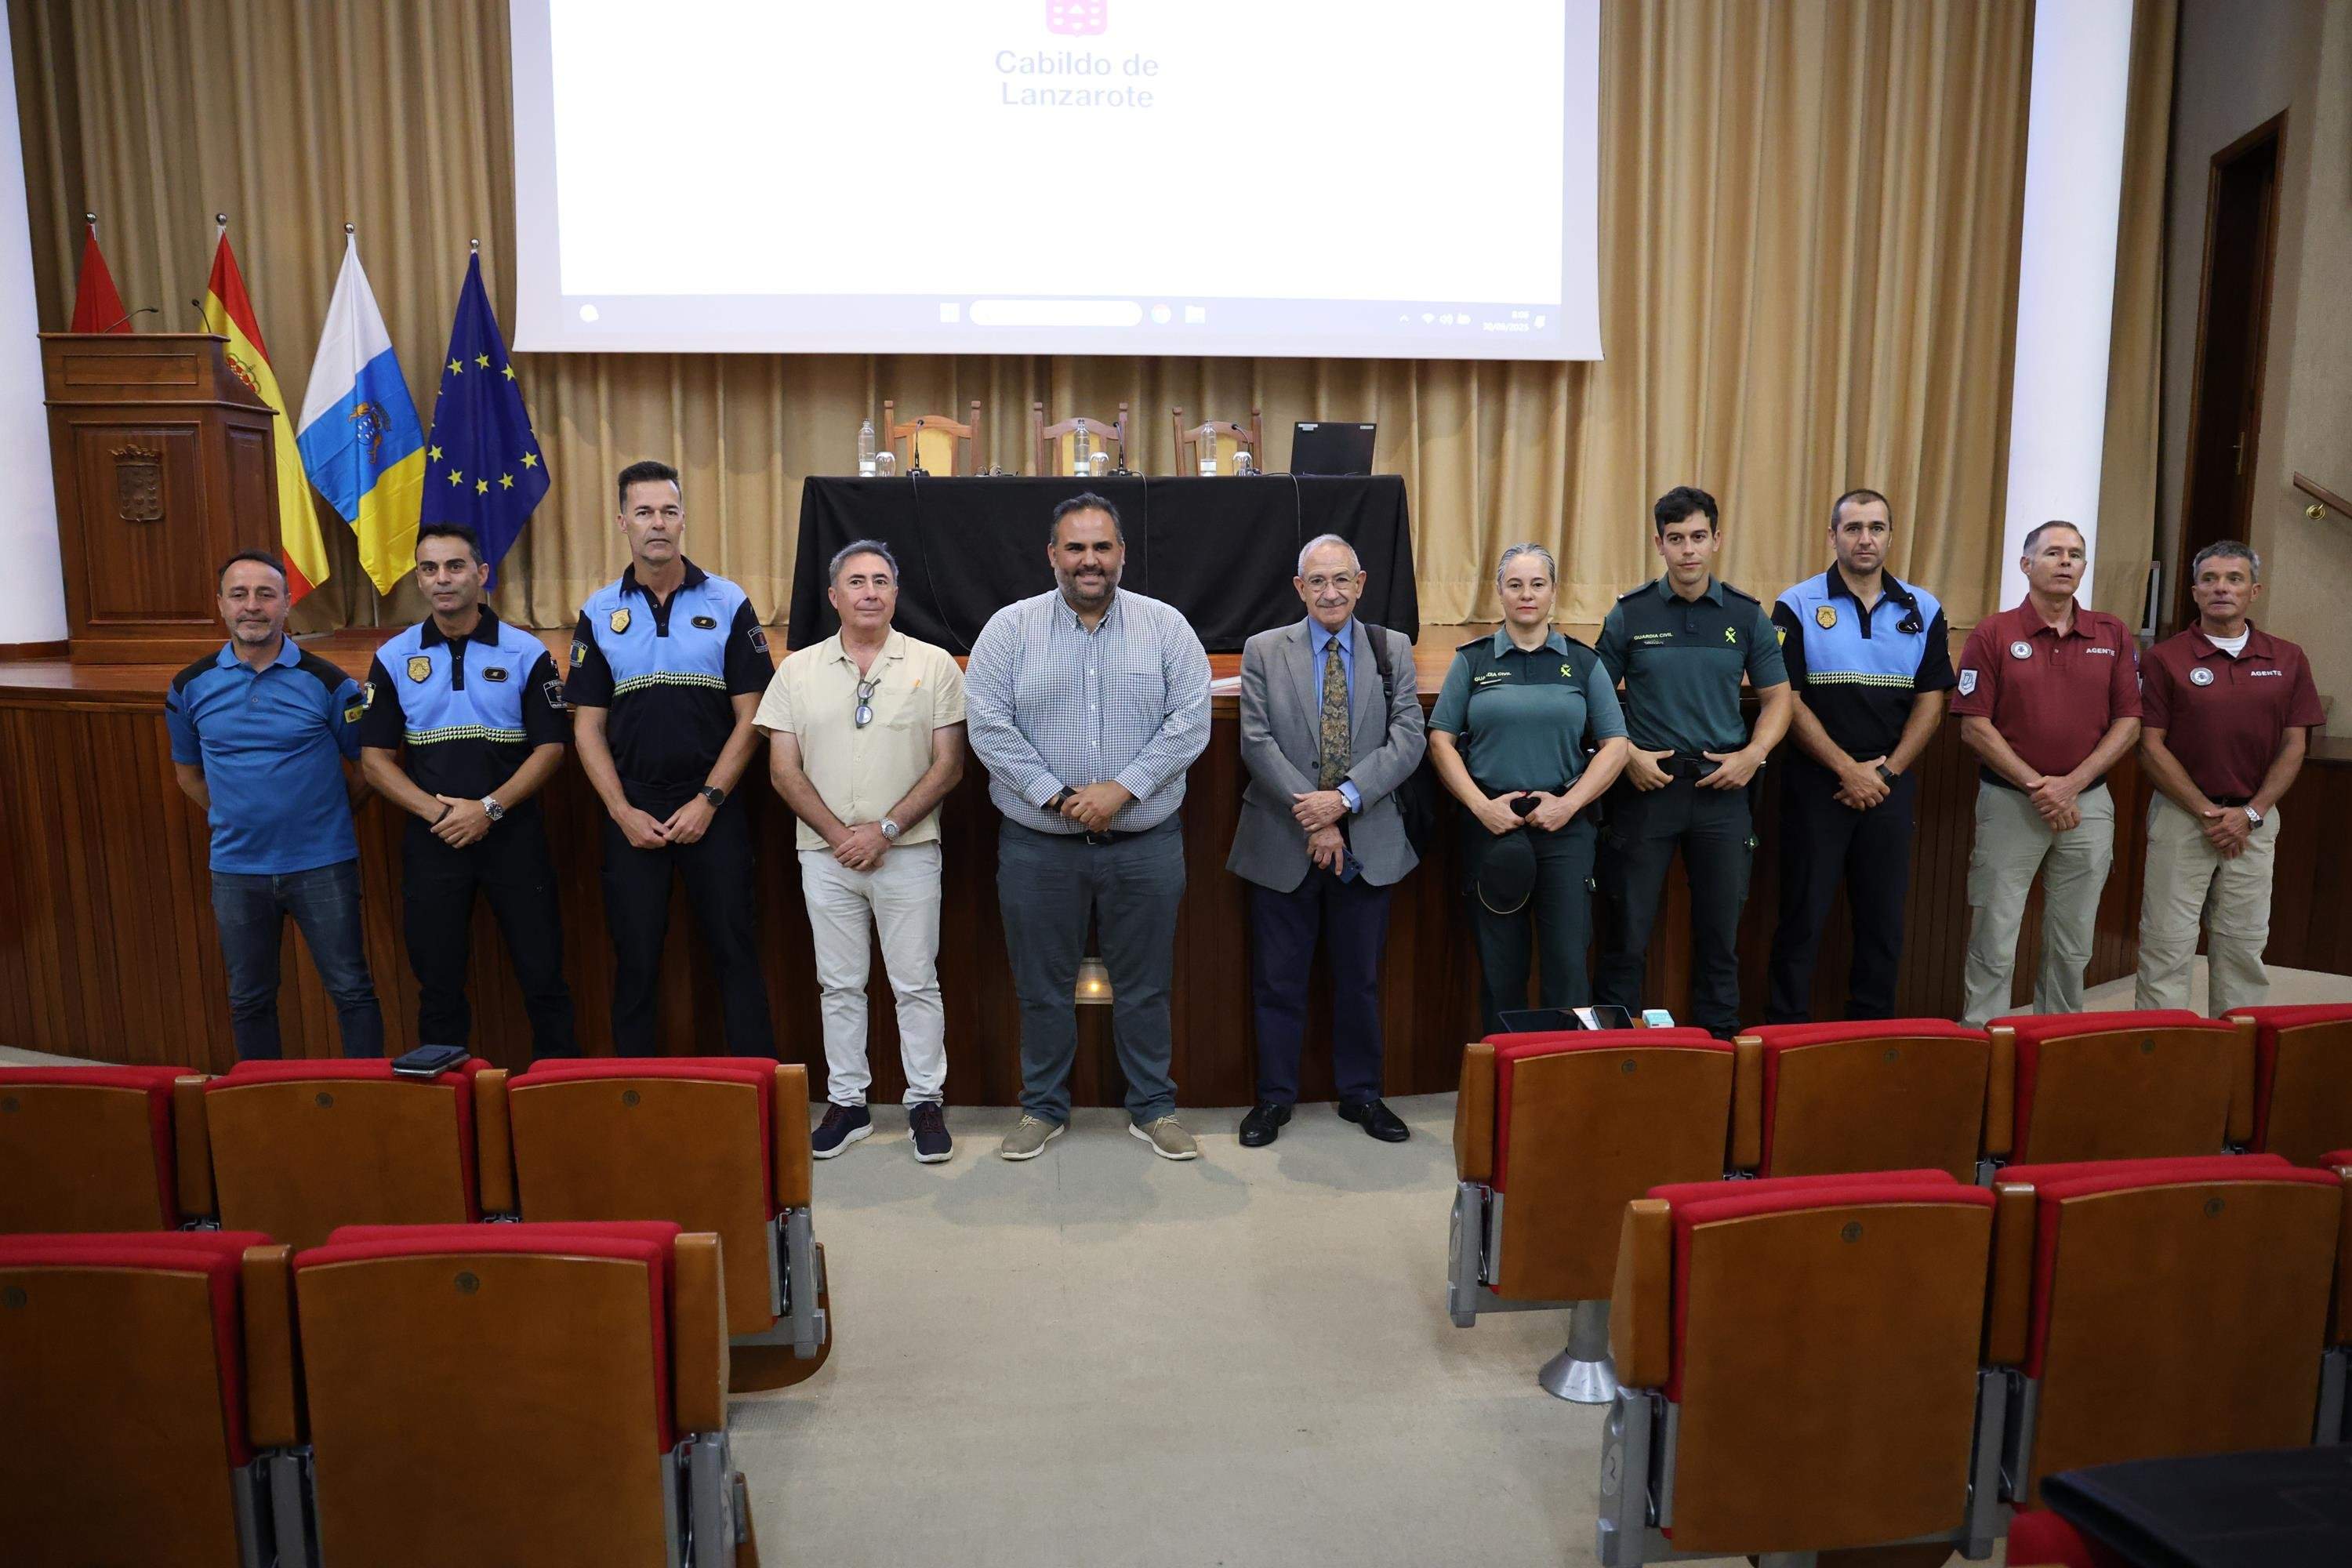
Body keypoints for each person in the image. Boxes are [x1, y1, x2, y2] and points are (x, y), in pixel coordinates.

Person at [964, 492, 1210, 1161]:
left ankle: (1154, 1108)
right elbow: (987, 724)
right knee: (1040, 987)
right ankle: (1042, 1109)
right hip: (1038, 847)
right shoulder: (1009, 630)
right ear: (1052, 556)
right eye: (1075, 548)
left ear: (1122, 555)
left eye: (1102, 547)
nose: (1089, 561)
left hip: (1145, 845)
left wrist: (1120, 790)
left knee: (1147, 985)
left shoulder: (1167, 628)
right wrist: (1061, 797)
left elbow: (1190, 722)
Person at [759, 539, 966, 1163]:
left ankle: (924, 1102)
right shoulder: (796, 669)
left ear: (896, 594)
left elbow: (949, 766)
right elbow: (783, 771)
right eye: (856, 581)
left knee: (916, 983)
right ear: (833, 596)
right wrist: (840, 836)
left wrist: (885, 831)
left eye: (880, 580)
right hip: (825, 856)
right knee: (839, 985)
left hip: (907, 852)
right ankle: (847, 1104)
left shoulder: (934, 664)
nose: (869, 591)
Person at [566, 459, 776, 1056]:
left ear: (683, 519)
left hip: (713, 808)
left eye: (668, 511)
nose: (656, 523)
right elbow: (586, 728)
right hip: (633, 814)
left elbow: (753, 717)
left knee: (737, 954)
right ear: (622, 522)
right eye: (643, 512)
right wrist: (621, 811)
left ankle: (758, 1097)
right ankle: (634, 1099)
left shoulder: (729, 600)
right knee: (634, 963)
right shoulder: (600, 610)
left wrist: (709, 800)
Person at [1227, 534, 1428, 1146]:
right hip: (1281, 839)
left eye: (1341, 580)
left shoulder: (1390, 649)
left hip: (1367, 840)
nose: (1330, 592)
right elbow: (1256, 743)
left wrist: (1342, 802)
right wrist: (1316, 818)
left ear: (1361, 583)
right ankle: (1274, 1100)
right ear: (1299, 588)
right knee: (1277, 980)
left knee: (1360, 978)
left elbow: (1408, 740)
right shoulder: (1264, 650)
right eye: (1317, 581)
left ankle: (1362, 1095)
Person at [358, 522, 576, 1061]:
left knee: (544, 976)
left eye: (455, 567)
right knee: (438, 986)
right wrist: (442, 814)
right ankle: (447, 1115)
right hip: (434, 843)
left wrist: (489, 809)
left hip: (514, 837)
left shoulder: (527, 652)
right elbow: (374, 760)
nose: (442, 579)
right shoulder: (393, 657)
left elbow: (551, 749)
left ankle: (560, 1101)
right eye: (429, 569)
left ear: (481, 574)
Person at [166, 550, 383, 1059]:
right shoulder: (188, 686)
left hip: (322, 865)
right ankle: (263, 1114)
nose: (252, 606)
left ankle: (373, 1107)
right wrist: (235, 819)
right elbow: (188, 775)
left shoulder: (330, 683)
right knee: (250, 1001)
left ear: (288, 603)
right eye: (239, 594)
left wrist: (320, 818)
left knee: (353, 992)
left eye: (266, 594)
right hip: (236, 871)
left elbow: (371, 770)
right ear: (220, 604)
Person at [1594, 488, 1792, 1039]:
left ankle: (1721, 1053)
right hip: (1647, 788)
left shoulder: (1745, 614)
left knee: (1720, 939)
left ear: (1717, 540)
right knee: (1626, 936)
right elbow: (1595, 695)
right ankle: (1615, 1051)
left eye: (1698, 538)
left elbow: (1779, 698)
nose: (1688, 551)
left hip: (1723, 793)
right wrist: (1627, 753)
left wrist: (1753, 756)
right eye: (1676, 539)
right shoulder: (1629, 614)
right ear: (1659, 544)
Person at [1764, 489, 1955, 1022]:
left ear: (1891, 536)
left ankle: (1870, 1036)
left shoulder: (1925, 607)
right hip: (1816, 785)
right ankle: (1785, 1035)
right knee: (1801, 920)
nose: (1865, 538)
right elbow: (1788, 699)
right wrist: (1847, 769)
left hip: (1889, 788)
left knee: (1883, 923)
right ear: (1833, 537)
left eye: (1876, 528)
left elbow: (1931, 703)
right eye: (1853, 528)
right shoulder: (1796, 603)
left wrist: (1886, 772)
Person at [1428, 543, 1629, 1036]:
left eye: (1537, 584)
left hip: (1564, 831)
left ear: (1553, 593)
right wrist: (1480, 807)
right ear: (1499, 592)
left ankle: (1563, 1088)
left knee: (1566, 968)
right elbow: (1440, 741)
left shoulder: (1584, 664)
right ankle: (1505, 1088)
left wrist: (1571, 804)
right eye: (1515, 585)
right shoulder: (1472, 662)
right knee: (1501, 971)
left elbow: (1616, 745)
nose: (1526, 595)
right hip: (1495, 830)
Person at [1951, 521, 2140, 1026]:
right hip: (2011, 803)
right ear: (2025, 564)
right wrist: (2042, 787)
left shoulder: (2112, 633)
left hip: (2089, 806)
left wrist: (2071, 785)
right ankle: (1984, 1037)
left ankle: (2058, 1038)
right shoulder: (1993, 633)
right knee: (1994, 933)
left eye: (2075, 555)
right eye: (2053, 552)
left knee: (2074, 939)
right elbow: (1974, 727)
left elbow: (2129, 722)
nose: (2065, 562)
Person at [2132, 541, 2322, 1014]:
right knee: (2166, 947)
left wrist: (2251, 814)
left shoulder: (2289, 657)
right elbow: (2149, 744)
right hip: (2183, 819)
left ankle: (2237, 1059)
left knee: (2243, 946)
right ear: (2195, 592)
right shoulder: (2164, 659)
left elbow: (2294, 744)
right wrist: (2208, 812)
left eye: (2234, 579)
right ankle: (2161, 1059)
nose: (2222, 588)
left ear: (2254, 590)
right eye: (2210, 580)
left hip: (2255, 823)